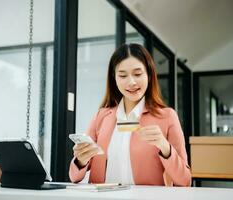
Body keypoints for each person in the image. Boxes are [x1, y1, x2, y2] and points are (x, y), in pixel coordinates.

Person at [69, 43, 191, 186]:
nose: (131, 82)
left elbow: (185, 181)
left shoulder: (167, 116)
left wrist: (165, 147)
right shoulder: (101, 116)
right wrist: (80, 160)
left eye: (138, 74)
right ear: (114, 78)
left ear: (149, 75)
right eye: (122, 75)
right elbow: (74, 177)